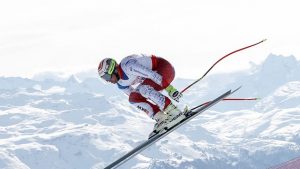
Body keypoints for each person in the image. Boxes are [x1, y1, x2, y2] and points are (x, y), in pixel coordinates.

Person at [98, 54, 186, 134]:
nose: (108, 81)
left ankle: (174, 112)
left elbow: (151, 74)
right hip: (155, 80)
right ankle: (161, 118)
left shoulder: (128, 66)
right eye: (104, 79)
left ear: (113, 70)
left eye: (107, 77)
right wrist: (157, 107)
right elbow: (137, 98)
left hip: (165, 69)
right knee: (133, 98)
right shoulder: (121, 84)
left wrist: (170, 89)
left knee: (144, 89)